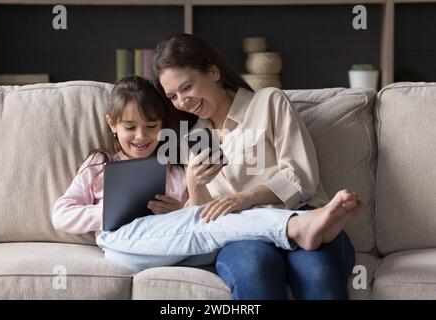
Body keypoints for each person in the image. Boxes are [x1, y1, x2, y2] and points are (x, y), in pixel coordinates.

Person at [52, 75, 363, 272]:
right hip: (122, 242)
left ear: (163, 127)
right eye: (130, 128)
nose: (141, 137)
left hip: (181, 244)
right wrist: (111, 210)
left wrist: (182, 205)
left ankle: (298, 227)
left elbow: (199, 215)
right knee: (207, 226)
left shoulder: (174, 165)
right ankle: (296, 226)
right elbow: (62, 214)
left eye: (151, 127)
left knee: (213, 221)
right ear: (112, 125)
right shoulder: (99, 164)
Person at [152, 33, 363, 299]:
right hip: (242, 233)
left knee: (317, 274)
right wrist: (195, 185)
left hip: (300, 215)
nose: (182, 102)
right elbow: (204, 220)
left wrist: (245, 197)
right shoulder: (193, 137)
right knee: (253, 272)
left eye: (186, 87)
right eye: (173, 96)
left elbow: (301, 176)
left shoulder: (268, 103)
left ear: (213, 72)